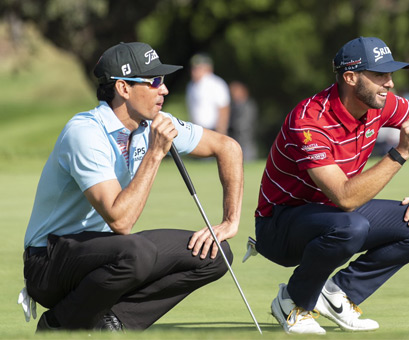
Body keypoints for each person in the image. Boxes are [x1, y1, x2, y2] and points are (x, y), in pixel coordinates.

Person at [21, 42, 243, 332]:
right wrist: (155, 153)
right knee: (136, 252)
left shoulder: (150, 124)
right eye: (153, 81)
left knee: (214, 253)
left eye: (162, 80)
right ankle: (58, 324)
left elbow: (228, 147)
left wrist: (230, 221)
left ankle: (113, 322)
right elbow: (121, 220)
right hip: (48, 262)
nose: (163, 90)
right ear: (123, 88)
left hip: (102, 252)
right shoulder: (85, 132)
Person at [253, 37, 409, 334]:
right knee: (350, 226)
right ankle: (293, 301)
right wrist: (400, 153)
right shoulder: (309, 122)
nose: (390, 83)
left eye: (390, 75)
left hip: (335, 215)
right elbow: (345, 197)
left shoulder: (378, 104)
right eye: (380, 75)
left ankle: (337, 294)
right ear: (351, 77)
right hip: (281, 226)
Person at [185, 53, 231, 135]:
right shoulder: (191, 85)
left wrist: (221, 131)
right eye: (193, 68)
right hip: (196, 129)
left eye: (199, 68)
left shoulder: (216, 84)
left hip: (212, 129)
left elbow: (223, 108)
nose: (194, 71)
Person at [228, 81, 258, 161]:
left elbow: (244, 123)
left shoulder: (249, 106)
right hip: (235, 140)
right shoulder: (232, 106)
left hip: (246, 142)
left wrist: (229, 125)